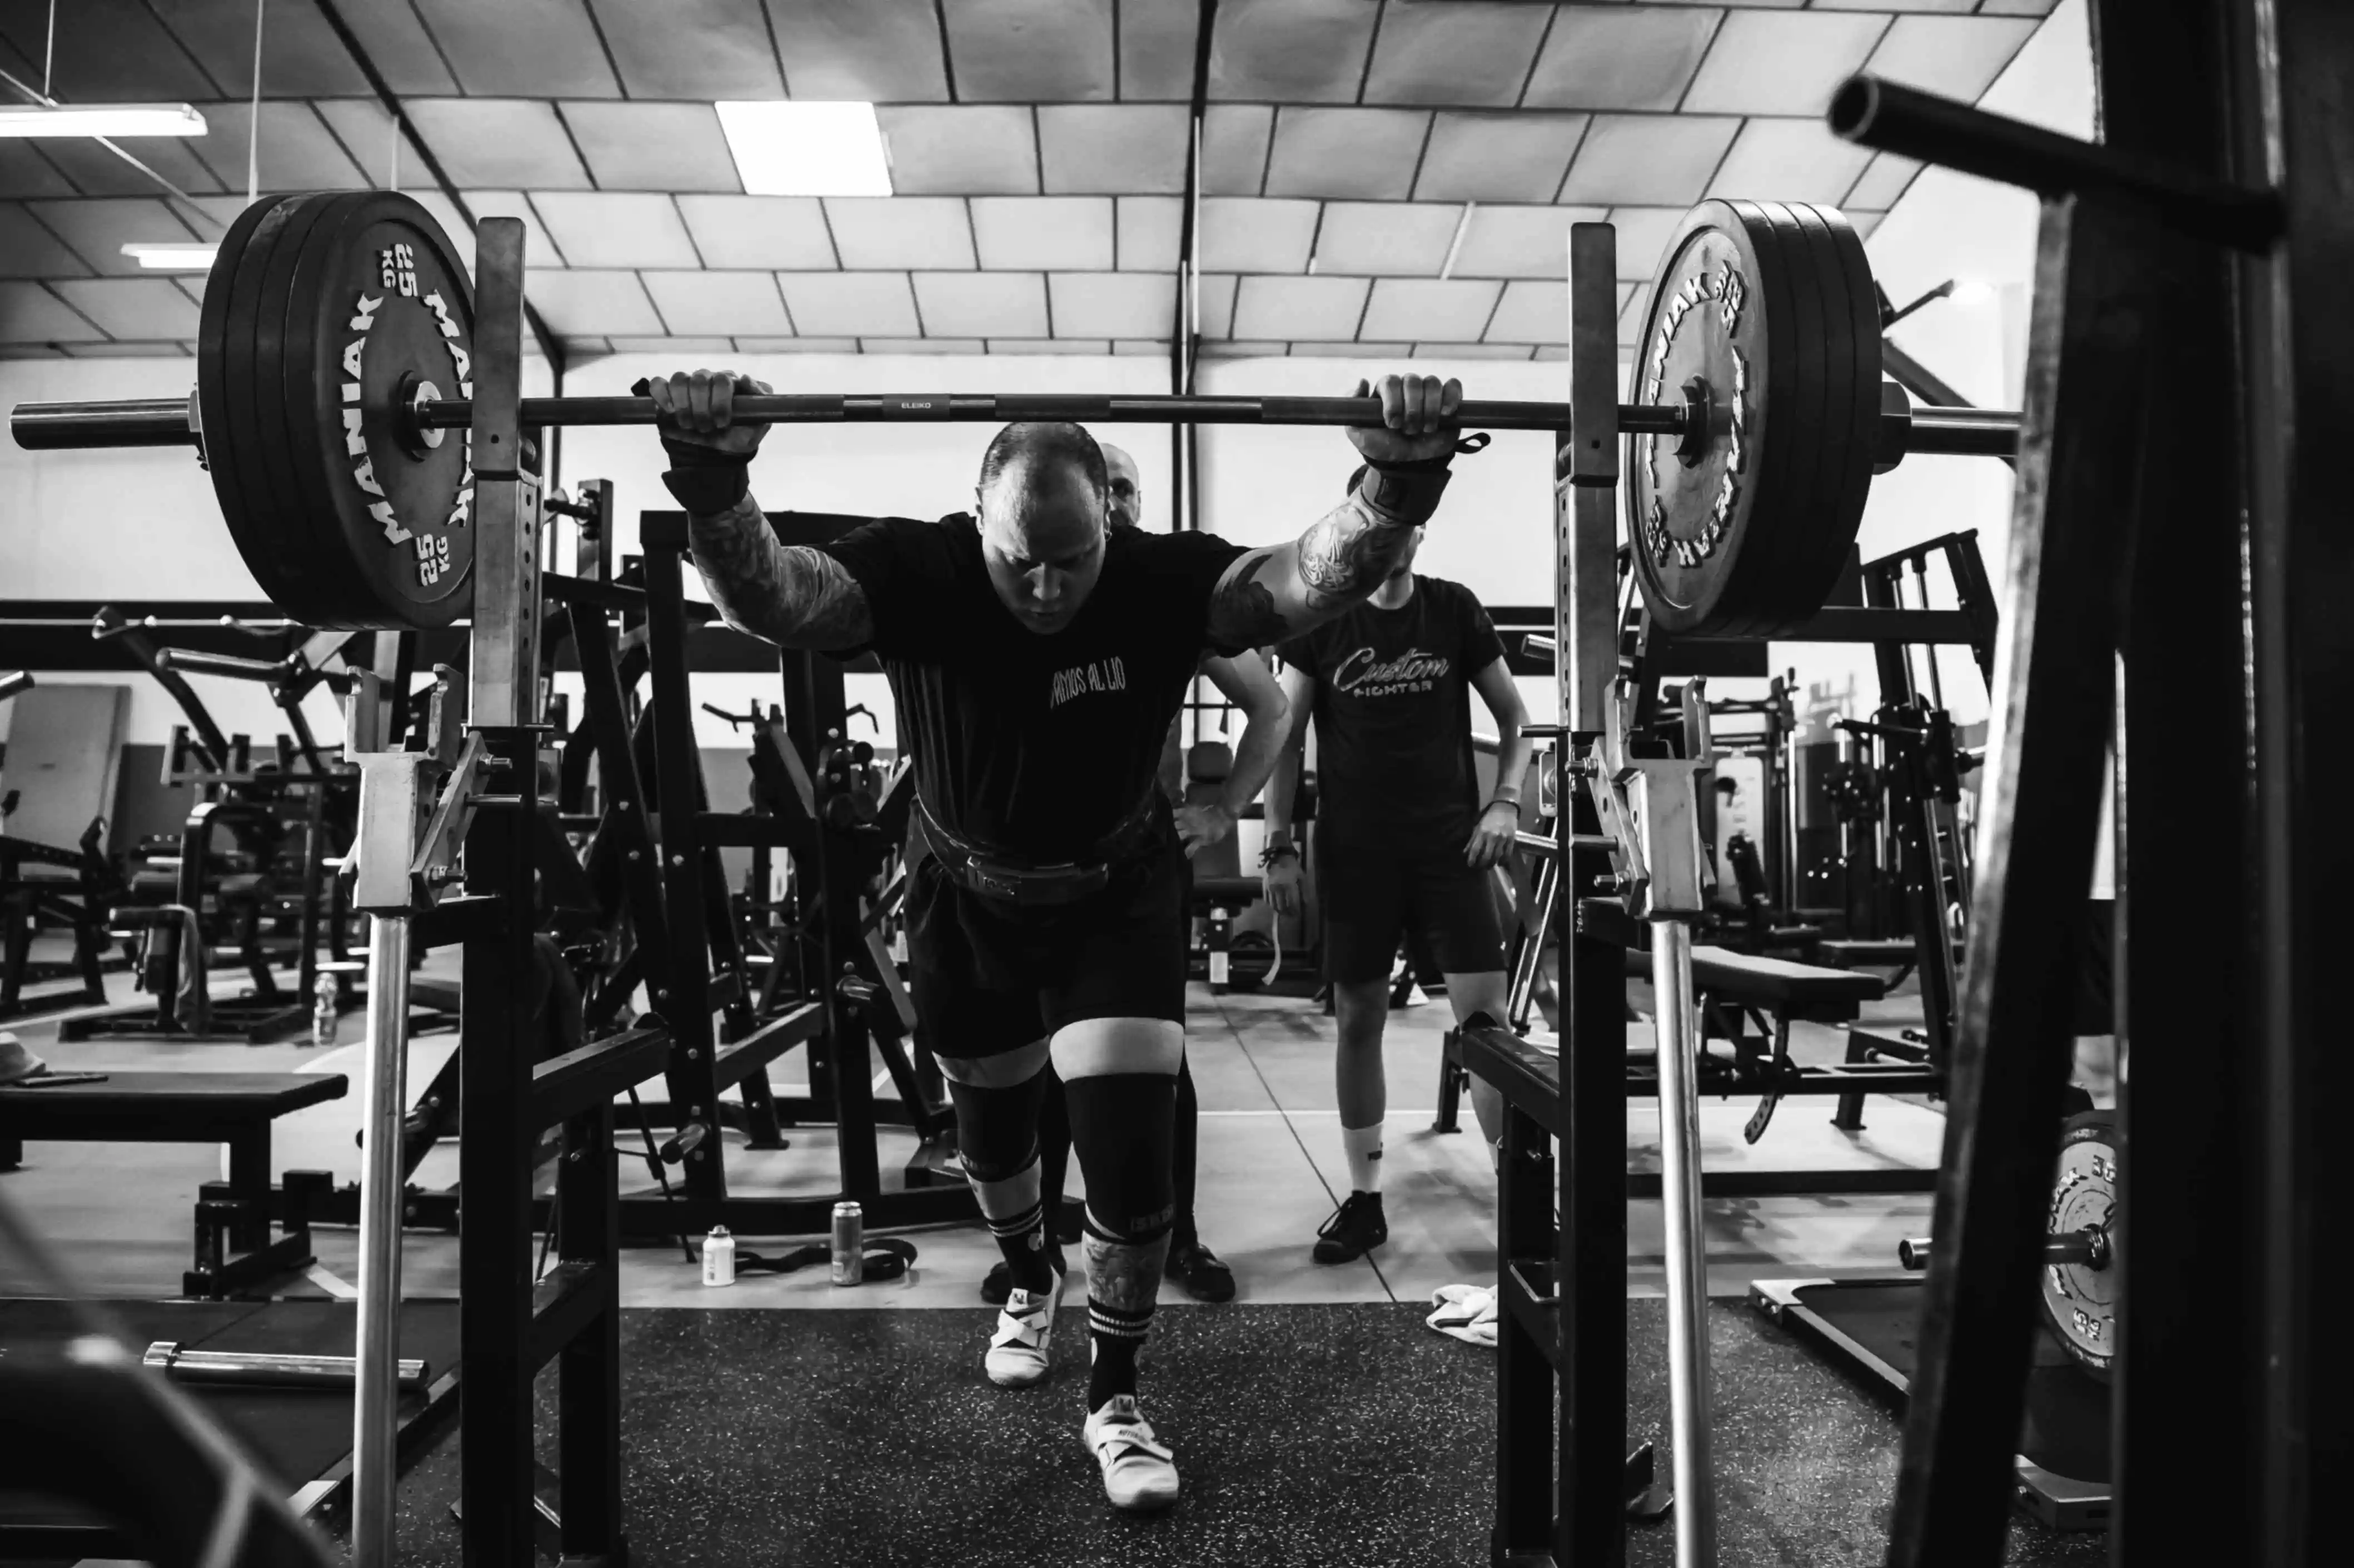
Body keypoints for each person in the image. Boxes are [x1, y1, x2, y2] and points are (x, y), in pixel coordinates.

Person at [643, 369, 1469, 1512]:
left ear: (1107, 529)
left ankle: (1116, 1397)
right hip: (963, 897)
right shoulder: (917, 567)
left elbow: (1300, 582)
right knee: (992, 1140)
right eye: (1019, 558)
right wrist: (714, 480)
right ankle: (1029, 1282)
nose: (1045, 586)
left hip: (1114, 897)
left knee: (1127, 1150)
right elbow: (776, 599)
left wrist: (1395, 484)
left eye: (1071, 560)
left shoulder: (1158, 577)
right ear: (975, 515)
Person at [977, 441, 1280, 1310]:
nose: (1113, 503)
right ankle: (1032, 1253)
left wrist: (1224, 811)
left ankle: (1175, 1234)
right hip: (1020, 874)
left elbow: (1270, 702)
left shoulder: (1161, 602)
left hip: (1132, 874)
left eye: (1125, 489)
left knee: (1155, 1072)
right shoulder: (1029, 595)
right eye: (1099, 488)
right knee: (1034, 1062)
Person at [1261, 497, 1533, 1265]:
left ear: (1420, 530)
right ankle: (1363, 1197)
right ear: (1357, 532)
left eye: (1403, 521)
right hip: (1354, 855)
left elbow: (1515, 720)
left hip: (1451, 850)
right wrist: (1277, 846)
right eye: (1375, 521)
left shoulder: (1452, 610)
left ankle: (1516, 1198)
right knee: (1357, 1021)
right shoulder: (1320, 621)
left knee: (1487, 1029)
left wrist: (1504, 803)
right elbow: (1283, 741)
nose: (1391, 535)